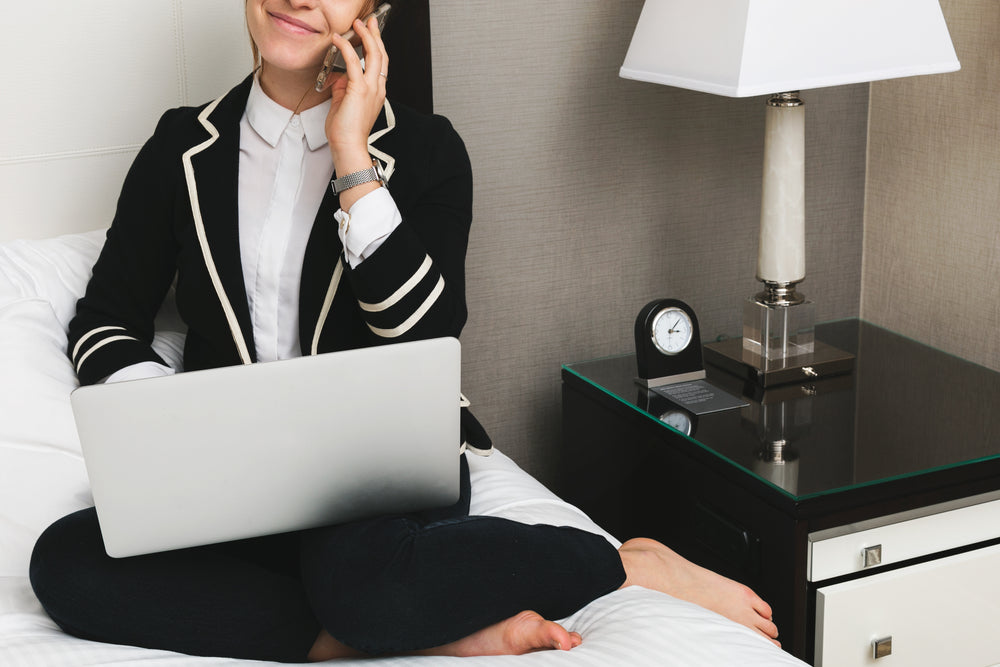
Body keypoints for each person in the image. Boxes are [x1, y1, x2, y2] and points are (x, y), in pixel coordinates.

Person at [29, 0, 780, 661]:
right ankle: (398, 634)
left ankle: (625, 563)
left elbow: (424, 333)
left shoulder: (427, 152)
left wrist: (354, 159)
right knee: (63, 563)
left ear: (370, 10)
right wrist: (171, 413)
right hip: (226, 475)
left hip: (372, 470)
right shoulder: (179, 149)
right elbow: (103, 321)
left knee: (360, 578)